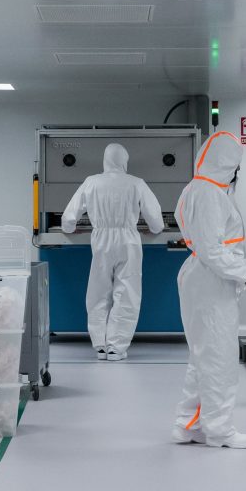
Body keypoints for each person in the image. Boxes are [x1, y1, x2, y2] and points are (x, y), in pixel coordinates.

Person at [172, 131, 246, 448]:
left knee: (202, 356)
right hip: (211, 280)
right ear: (226, 163)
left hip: (203, 277)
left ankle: (188, 425)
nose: (237, 173)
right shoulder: (209, 193)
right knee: (219, 358)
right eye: (235, 165)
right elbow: (211, 248)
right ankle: (220, 431)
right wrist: (244, 271)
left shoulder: (198, 189)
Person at [60, 142, 166, 361]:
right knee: (127, 293)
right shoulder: (137, 183)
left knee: (98, 292)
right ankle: (116, 347)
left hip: (101, 240)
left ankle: (99, 344)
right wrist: (152, 229)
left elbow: (68, 218)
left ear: (105, 160)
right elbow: (156, 221)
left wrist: (70, 228)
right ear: (124, 161)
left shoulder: (91, 182)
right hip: (129, 241)